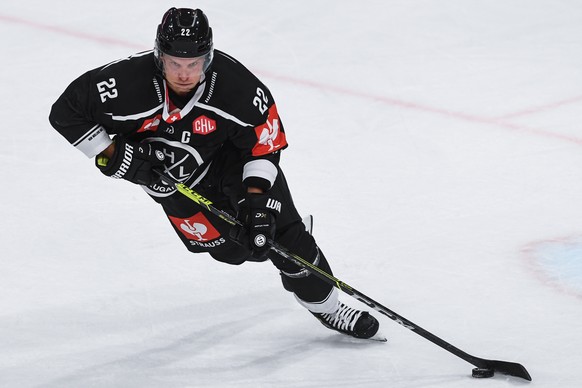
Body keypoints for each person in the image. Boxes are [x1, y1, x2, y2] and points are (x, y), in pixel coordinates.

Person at [49, 7, 380, 340]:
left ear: (207, 58)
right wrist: (117, 156)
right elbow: (66, 112)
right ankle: (273, 237)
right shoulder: (125, 83)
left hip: (232, 164)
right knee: (234, 251)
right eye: (174, 63)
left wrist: (257, 201)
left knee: (281, 236)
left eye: (193, 64)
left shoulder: (237, 87)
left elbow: (265, 144)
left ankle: (329, 307)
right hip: (170, 185)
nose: (183, 74)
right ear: (158, 55)